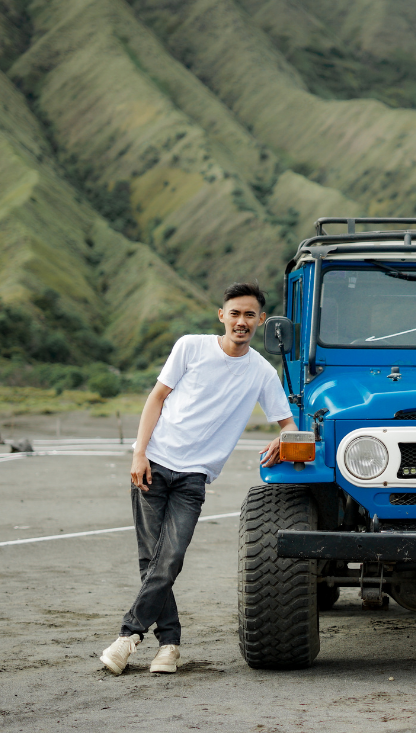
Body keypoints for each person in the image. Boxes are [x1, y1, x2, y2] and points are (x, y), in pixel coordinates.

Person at [99, 282, 295, 675]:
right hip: (153, 465)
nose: (242, 321)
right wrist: (138, 453)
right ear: (222, 316)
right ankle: (168, 646)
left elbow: (289, 423)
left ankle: (129, 635)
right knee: (151, 561)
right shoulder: (190, 346)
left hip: (193, 479)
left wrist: (283, 439)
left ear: (260, 321)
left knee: (169, 558)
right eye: (235, 313)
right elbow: (156, 397)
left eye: (250, 315)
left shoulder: (261, 371)